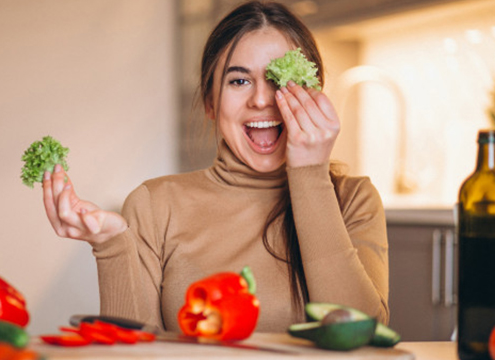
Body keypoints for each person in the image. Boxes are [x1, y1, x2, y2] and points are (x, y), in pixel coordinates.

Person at [42, 0, 388, 333]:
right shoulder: (153, 204)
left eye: (280, 79)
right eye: (239, 80)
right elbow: (136, 353)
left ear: (314, 96)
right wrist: (111, 243)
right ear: (210, 102)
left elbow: (360, 338)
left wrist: (310, 173)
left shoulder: (353, 200)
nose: (262, 99)